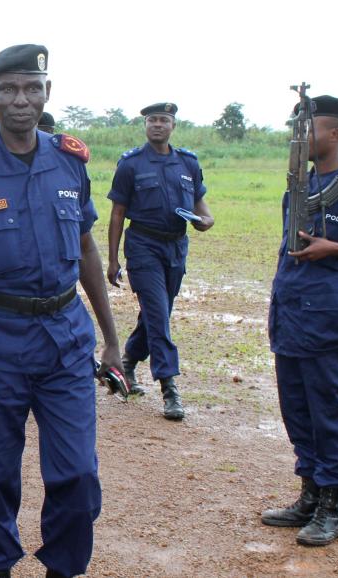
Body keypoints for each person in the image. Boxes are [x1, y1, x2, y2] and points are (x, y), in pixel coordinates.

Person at [0, 44, 122, 578]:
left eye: (32, 88)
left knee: (77, 475)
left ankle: (63, 568)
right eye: (8, 89)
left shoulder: (71, 160)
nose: (20, 100)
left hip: (66, 338)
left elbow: (85, 250)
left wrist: (112, 337)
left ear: (48, 93)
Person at [261, 95, 338, 547]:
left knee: (328, 414)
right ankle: (308, 495)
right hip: (290, 316)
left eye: (308, 129)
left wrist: (337, 250)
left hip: (328, 322)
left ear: (335, 134)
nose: (300, 139)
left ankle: (333, 507)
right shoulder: (300, 183)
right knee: (297, 412)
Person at [105, 102, 214, 420]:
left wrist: (206, 220)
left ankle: (128, 363)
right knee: (157, 314)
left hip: (176, 247)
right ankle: (169, 387)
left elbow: (201, 205)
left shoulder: (188, 163)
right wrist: (112, 260)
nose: (157, 124)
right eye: (151, 119)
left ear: (173, 126)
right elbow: (117, 214)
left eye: (163, 120)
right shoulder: (130, 164)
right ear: (144, 125)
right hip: (142, 245)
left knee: (158, 313)